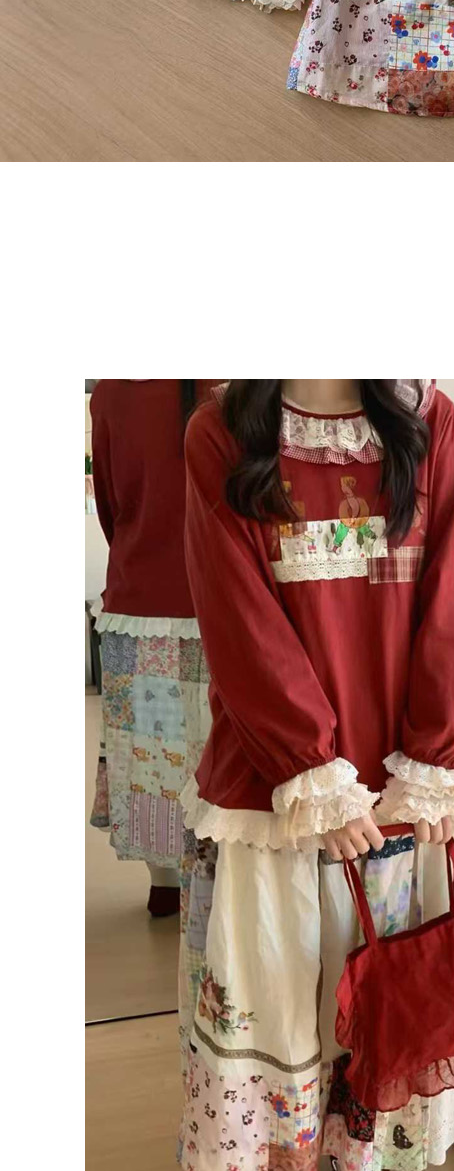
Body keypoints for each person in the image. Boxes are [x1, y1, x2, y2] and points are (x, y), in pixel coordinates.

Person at [177, 373, 454, 1171]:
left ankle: (359, 1148)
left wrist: (434, 760)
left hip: (400, 783)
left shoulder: (430, 421)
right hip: (279, 785)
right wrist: (309, 768)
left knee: (382, 981)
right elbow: (238, 622)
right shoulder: (221, 434)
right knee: (282, 985)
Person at [89, 380, 211, 907]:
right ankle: (212, 883)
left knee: (149, 757)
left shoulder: (113, 391)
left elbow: (109, 506)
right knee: (211, 754)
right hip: (218, 599)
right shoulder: (237, 385)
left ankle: (163, 885)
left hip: (137, 599)